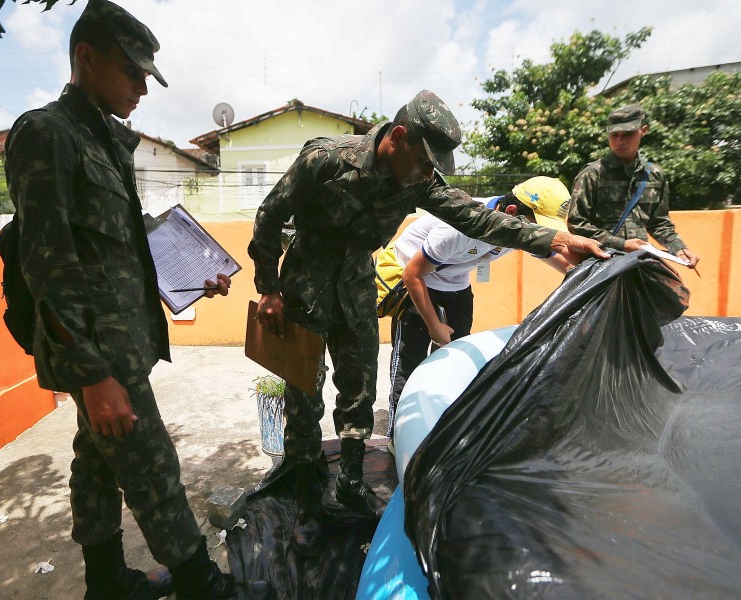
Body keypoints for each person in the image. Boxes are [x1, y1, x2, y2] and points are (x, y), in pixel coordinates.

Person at [247, 89, 609, 557]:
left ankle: (352, 485)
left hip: (357, 282)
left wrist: (555, 238)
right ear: (397, 138)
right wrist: (269, 288)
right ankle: (306, 504)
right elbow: (269, 215)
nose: (427, 172)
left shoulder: (417, 181)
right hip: (305, 283)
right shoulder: (326, 159)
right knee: (303, 395)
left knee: (359, 388)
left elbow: (480, 221)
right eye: (423, 160)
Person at [4, 1, 235, 598]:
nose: (141, 87)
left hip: (120, 344)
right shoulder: (47, 133)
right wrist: (92, 375)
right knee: (154, 468)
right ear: (85, 57)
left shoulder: (103, 140)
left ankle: (106, 581)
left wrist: (190, 277)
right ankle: (201, 582)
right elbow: (46, 262)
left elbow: (115, 252)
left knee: (96, 465)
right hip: (100, 355)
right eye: (132, 71)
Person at [382, 176, 572, 442]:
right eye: (535, 228)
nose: (536, 236)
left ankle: (443, 429)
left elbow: (564, 261)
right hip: (417, 282)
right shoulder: (460, 225)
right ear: (511, 212)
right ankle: (397, 438)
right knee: (408, 361)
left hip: (455, 283)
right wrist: (434, 325)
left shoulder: (515, 227)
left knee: (456, 358)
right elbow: (412, 274)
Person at [568, 103, 700, 269]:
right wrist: (621, 244)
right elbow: (577, 224)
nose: (620, 141)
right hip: (602, 266)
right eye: (615, 135)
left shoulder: (655, 175)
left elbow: (659, 223)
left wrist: (679, 248)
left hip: (638, 265)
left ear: (643, 130)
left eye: (628, 134)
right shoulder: (592, 174)